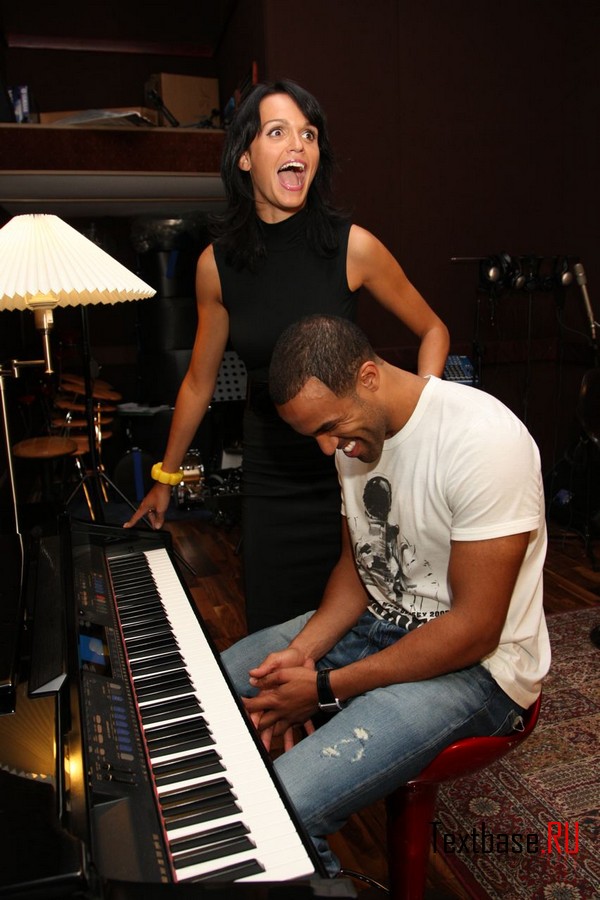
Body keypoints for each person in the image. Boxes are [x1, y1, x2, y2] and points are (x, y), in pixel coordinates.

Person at [221, 314, 550, 875]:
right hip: (377, 623)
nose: (328, 448)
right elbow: (358, 568)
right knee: (207, 689)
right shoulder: (353, 434)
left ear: (368, 376)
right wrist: (304, 651)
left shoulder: (484, 440)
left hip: (481, 667)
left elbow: (475, 629)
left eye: (331, 427)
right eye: (315, 435)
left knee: (282, 813)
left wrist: (322, 688)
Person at [125, 79, 449, 633]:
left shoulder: (352, 246)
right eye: (278, 132)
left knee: (363, 628)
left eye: (309, 134)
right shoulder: (216, 267)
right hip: (270, 473)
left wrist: (417, 427)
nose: (298, 144)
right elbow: (199, 383)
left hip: (353, 468)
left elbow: (433, 329)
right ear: (245, 156)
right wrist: (166, 476)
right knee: (273, 630)